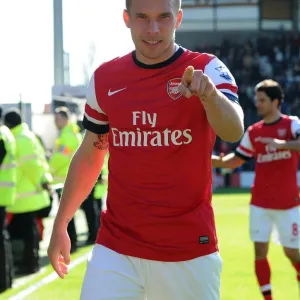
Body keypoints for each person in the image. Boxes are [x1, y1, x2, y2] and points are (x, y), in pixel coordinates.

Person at [48, 0, 244, 299]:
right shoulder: (105, 77)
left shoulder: (207, 68)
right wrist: (61, 221)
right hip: (116, 247)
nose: (153, 29)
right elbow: (91, 153)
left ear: (178, 18)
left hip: (187, 248)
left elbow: (234, 129)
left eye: (163, 17)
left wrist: (209, 95)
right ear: (127, 18)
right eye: (142, 17)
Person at [212, 79, 300, 300]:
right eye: (256, 100)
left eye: (262, 100)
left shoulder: (291, 125)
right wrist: (207, 158)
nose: (257, 104)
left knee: (292, 253)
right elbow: (235, 161)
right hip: (260, 203)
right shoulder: (253, 131)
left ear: (276, 101)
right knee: (260, 252)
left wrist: (281, 145)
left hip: (289, 203)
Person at [4, 109, 51, 274]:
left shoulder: (20, 138)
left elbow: (31, 166)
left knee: (26, 233)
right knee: (29, 231)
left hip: (24, 196)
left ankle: (30, 264)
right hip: (28, 194)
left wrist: (40, 183)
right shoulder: (26, 135)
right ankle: (30, 263)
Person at [49, 107, 82, 252]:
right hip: (67, 179)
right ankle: (71, 243)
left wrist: (48, 170)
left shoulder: (67, 135)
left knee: (66, 215)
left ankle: (71, 244)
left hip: (65, 180)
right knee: (68, 214)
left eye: (57, 119)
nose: (55, 122)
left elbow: (61, 157)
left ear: (65, 119)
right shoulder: (68, 133)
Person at [0, 106, 16, 293]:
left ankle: (3, 281)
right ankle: (6, 279)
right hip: (5, 194)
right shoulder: (6, 134)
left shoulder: (2, 135)